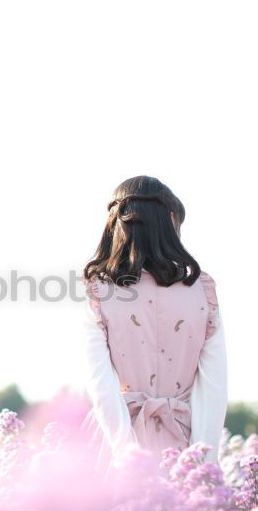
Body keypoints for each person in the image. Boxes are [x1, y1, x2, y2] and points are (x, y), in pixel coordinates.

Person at [81, 175, 227, 470]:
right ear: (171, 224)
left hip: (112, 443)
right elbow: (214, 389)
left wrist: (125, 454)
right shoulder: (203, 291)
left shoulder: (99, 292)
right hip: (182, 439)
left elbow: (101, 386)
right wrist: (203, 462)